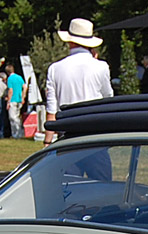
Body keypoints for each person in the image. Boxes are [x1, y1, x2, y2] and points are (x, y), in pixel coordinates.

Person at [43, 17, 113, 147]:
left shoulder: (55, 68)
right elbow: (107, 99)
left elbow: (51, 111)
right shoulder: (101, 67)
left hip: (66, 135)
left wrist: (47, 142)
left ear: (70, 42)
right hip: (94, 132)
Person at [6, 64, 26, 138]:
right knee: (17, 116)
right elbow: (24, 87)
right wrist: (23, 97)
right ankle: (20, 133)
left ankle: (15, 133)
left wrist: (8, 101)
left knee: (12, 117)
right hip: (19, 99)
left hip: (13, 100)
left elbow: (10, 90)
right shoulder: (19, 77)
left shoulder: (10, 79)